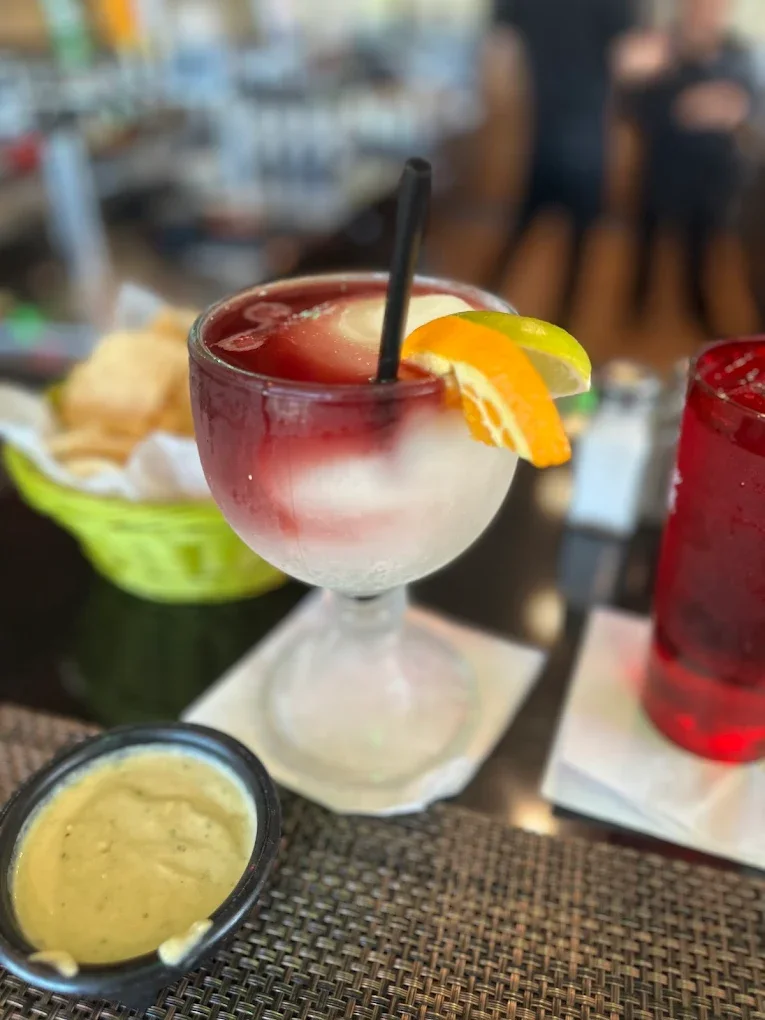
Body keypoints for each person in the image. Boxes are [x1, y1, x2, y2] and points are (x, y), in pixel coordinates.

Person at [616, 0, 755, 333]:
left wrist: (725, 105)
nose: (705, 10)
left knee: (701, 247)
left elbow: (748, 102)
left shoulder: (738, 52)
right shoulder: (659, 47)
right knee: (646, 245)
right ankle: (636, 307)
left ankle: (698, 307)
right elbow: (635, 106)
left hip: (712, 171)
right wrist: (687, 105)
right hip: (662, 164)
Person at [492, 0, 637, 315]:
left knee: (521, 233)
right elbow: (631, 62)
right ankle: (563, 326)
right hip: (584, 135)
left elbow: (501, 50)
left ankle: (478, 309)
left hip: (548, 129)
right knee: (576, 245)